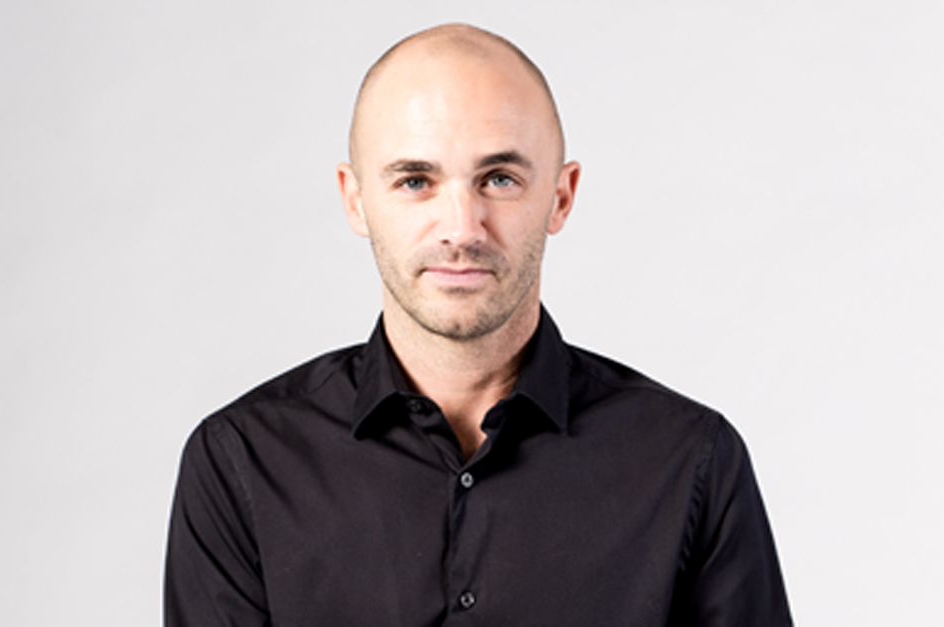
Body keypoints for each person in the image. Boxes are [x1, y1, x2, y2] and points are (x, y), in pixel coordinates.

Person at [164, 23, 793, 626]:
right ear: (355, 200)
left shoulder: (690, 462)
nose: (462, 229)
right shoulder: (241, 462)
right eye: (415, 180)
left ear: (561, 196)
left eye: (499, 179)